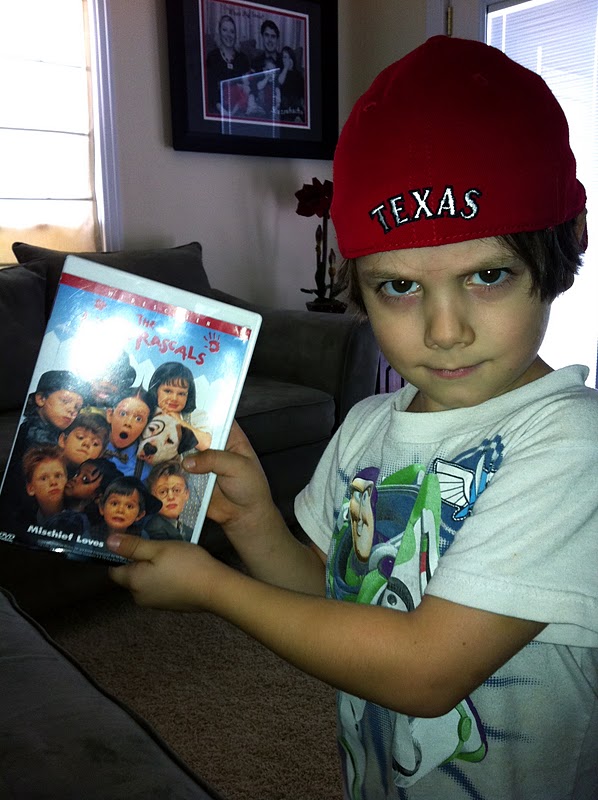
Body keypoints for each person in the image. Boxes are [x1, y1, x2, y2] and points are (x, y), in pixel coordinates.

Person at [107, 36, 598, 800]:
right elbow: (327, 590)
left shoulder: (571, 443)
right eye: (399, 286)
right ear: (358, 282)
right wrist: (255, 523)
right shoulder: (369, 425)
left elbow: (425, 669)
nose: (444, 331)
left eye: (488, 274)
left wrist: (213, 589)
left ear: (570, 240)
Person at [147, 363, 212, 452]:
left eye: (181, 394)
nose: (174, 398)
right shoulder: (145, 410)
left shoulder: (197, 416)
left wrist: (179, 421)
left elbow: (205, 444)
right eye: (168, 391)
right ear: (156, 390)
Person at [205, 14, 250, 115]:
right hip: (220, 109)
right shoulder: (212, 57)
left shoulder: (243, 58)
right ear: (219, 32)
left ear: (235, 35)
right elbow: (210, 89)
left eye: (232, 31)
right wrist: (223, 111)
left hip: (240, 108)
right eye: (225, 30)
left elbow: (247, 86)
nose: (229, 35)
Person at [103, 388, 152, 479]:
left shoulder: (145, 469)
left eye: (138, 419)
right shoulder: (89, 443)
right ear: (110, 415)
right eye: (123, 413)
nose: (128, 423)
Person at [144, 460, 192, 541]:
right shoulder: (155, 531)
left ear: (186, 494)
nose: (170, 497)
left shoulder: (189, 531)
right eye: (162, 492)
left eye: (176, 490)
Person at [278, 46, 304, 123]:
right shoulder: (280, 72)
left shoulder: (298, 74)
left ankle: (297, 117)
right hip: (284, 105)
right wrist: (286, 68)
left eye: (289, 57)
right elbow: (280, 82)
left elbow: (302, 94)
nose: (287, 60)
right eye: (284, 57)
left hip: (296, 106)